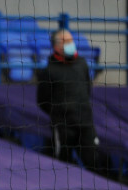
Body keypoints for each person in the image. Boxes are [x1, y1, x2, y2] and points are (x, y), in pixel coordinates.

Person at [36, 29, 112, 178]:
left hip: (85, 122)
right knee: (61, 163)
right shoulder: (49, 70)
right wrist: (59, 112)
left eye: (71, 40)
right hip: (63, 124)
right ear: (56, 46)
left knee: (93, 161)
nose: (71, 44)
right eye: (66, 41)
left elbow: (87, 89)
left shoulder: (81, 64)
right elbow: (42, 100)